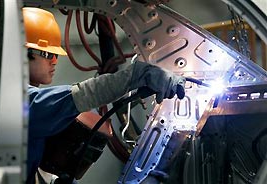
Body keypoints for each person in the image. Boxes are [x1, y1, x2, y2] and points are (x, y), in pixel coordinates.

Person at [23, 7, 186, 184]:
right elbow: (83, 94)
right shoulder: (21, 103)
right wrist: (137, 75)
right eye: (48, 54)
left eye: (56, 55)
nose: (54, 61)